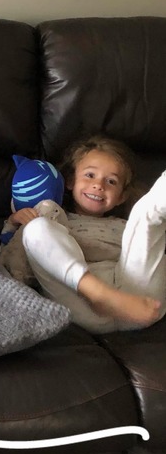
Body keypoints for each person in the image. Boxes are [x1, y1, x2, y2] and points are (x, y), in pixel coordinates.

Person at [20, 135, 165, 333]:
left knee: (145, 212)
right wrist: (15, 222)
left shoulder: (130, 226)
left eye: (111, 181)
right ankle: (98, 294)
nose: (99, 185)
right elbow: (17, 254)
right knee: (36, 227)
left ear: (121, 196)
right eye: (90, 175)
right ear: (70, 181)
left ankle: (109, 298)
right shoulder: (57, 218)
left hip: (140, 301)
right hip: (80, 302)